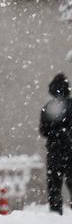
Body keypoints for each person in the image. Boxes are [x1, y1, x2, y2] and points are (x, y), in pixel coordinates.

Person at [40, 73, 72, 213]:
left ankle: (55, 215)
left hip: (54, 150)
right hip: (71, 149)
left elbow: (43, 131)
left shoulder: (48, 107)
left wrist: (55, 133)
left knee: (54, 186)